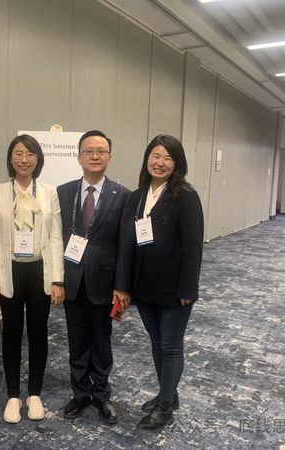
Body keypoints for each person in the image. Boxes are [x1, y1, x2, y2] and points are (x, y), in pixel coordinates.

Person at [119, 134, 203, 430]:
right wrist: (125, 285)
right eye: (156, 156)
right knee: (157, 344)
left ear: (177, 164)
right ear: (147, 159)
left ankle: (165, 407)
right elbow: (128, 243)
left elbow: (193, 247)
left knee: (170, 346)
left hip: (174, 290)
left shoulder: (186, 196)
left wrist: (188, 288)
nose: (160, 162)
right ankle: (169, 394)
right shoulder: (137, 196)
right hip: (144, 287)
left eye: (168, 158)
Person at [0, 134, 65, 424]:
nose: (24, 159)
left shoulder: (48, 191)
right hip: (10, 271)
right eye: (18, 153)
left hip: (39, 270)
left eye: (30, 154)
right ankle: (13, 395)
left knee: (38, 333)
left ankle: (34, 394)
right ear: (11, 158)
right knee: (11, 333)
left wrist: (58, 280)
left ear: (38, 159)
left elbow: (55, 237)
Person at [57, 130, 131, 425]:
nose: (95, 156)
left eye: (101, 151)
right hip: (73, 281)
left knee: (102, 342)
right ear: (79, 157)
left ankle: (101, 394)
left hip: (105, 282)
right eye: (89, 151)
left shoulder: (122, 195)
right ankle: (80, 394)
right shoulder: (63, 192)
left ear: (110, 157)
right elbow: (55, 238)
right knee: (76, 342)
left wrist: (122, 286)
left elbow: (125, 245)